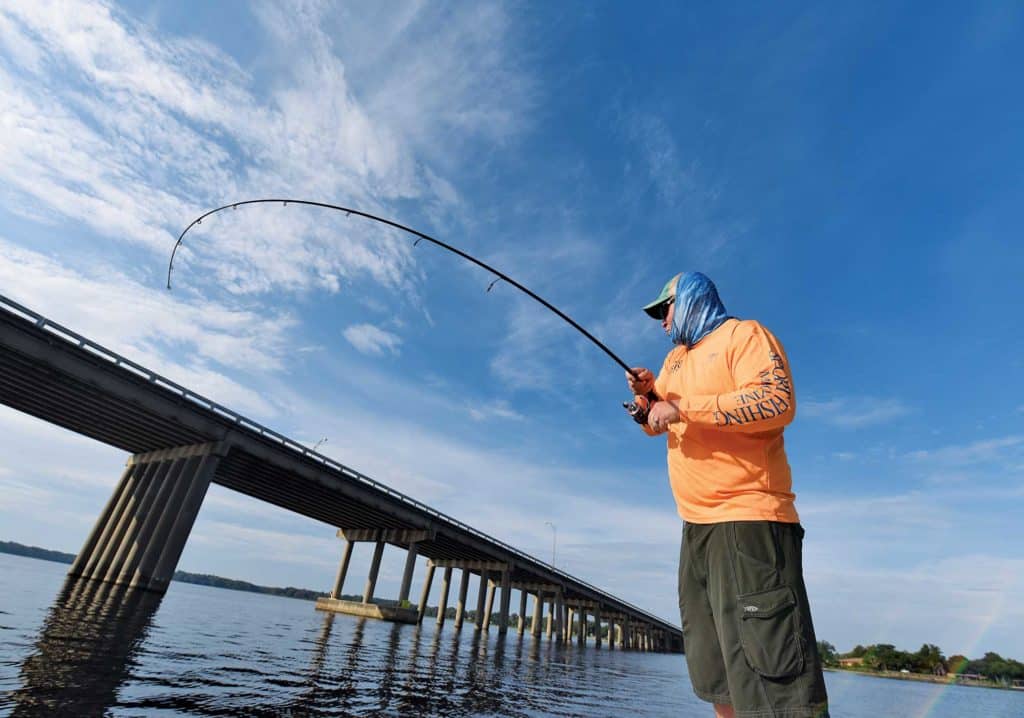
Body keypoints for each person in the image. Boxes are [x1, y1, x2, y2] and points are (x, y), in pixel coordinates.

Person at [626, 272, 829, 718]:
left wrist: (680, 408)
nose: (661, 321)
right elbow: (662, 420)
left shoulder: (745, 336)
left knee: (773, 675)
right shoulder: (674, 361)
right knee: (716, 671)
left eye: (666, 308)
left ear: (694, 298)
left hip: (749, 519)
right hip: (695, 530)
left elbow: (777, 401)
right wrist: (648, 400)